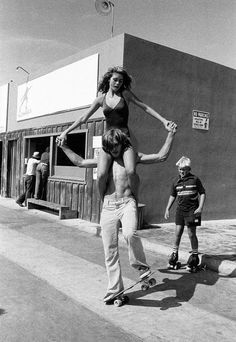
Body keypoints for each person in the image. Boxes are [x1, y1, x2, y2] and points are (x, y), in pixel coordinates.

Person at [57, 123, 177, 303]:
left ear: (122, 144)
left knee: (130, 233)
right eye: (110, 147)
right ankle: (115, 290)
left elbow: (161, 156)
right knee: (110, 250)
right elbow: (80, 162)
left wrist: (171, 135)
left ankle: (142, 268)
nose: (114, 150)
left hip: (127, 202)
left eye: (116, 146)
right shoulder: (104, 162)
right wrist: (64, 146)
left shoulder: (133, 157)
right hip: (108, 205)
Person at [56, 66, 175, 201]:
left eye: (120, 81)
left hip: (125, 140)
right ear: (109, 80)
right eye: (115, 80)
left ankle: (134, 199)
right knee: (101, 174)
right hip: (108, 141)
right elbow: (83, 118)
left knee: (131, 171)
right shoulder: (100, 100)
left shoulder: (125, 94)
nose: (118, 83)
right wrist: (66, 131)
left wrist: (164, 121)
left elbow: (145, 107)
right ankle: (103, 200)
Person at [164, 156, 206, 271]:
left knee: (191, 234)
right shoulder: (175, 181)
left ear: (189, 169)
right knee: (177, 233)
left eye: (184, 169)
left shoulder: (195, 179)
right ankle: (174, 254)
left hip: (192, 210)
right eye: (180, 169)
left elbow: (202, 193)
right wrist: (167, 208)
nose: (181, 171)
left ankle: (194, 256)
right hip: (180, 211)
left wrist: (200, 207)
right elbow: (173, 195)